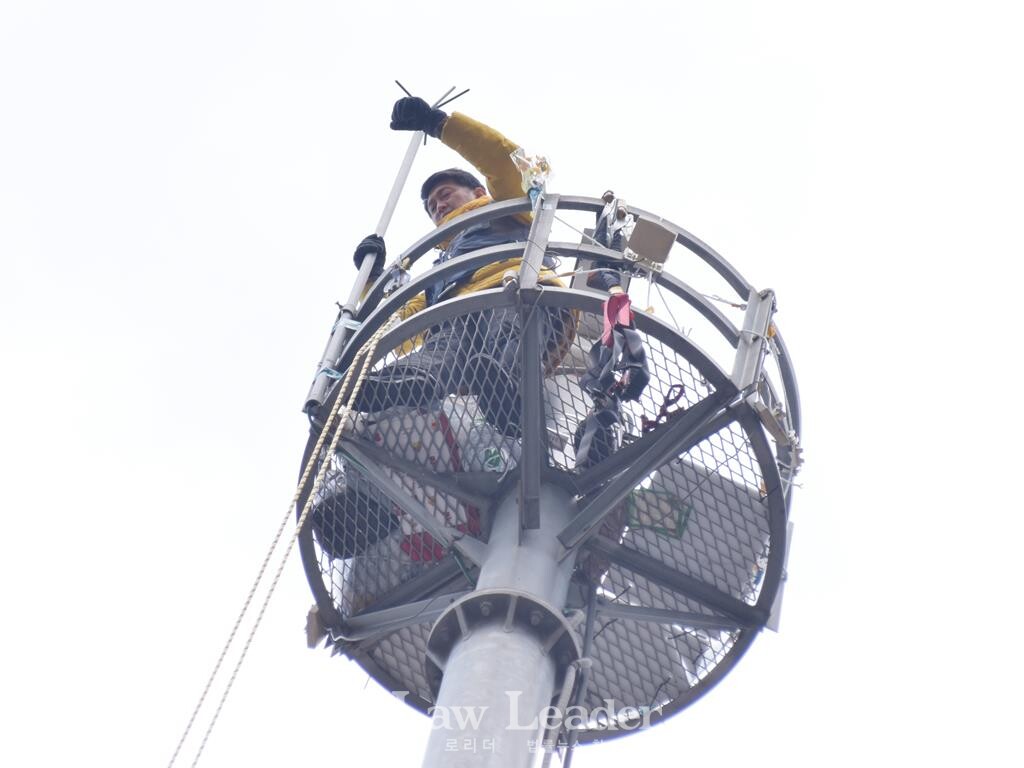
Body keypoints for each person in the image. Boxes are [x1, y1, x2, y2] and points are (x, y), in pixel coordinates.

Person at [347, 97, 585, 435]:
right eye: (431, 207)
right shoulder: (441, 269)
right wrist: (373, 281)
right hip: (456, 314)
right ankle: (405, 382)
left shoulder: (508, 207)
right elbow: (401, 320)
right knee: (440, 351)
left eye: (445, 195)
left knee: (509, 333)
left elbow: (505, 163)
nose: (438, 206)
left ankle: (510, 393)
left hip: (514, 290)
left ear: (476, 192)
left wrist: (439, 124)